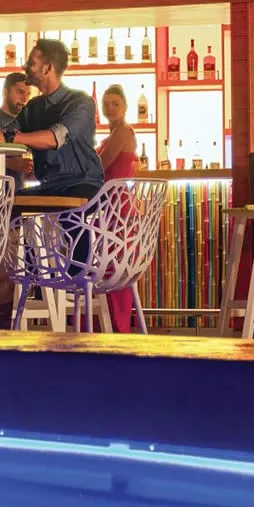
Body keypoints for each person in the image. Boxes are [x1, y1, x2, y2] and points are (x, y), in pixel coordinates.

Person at [0, 38, 104, 200]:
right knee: (2, 204)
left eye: (31, 63)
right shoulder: (33, 107)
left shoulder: (81, 102)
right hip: (50, 187)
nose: (24, 67)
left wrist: (9, 137)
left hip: (83, 185)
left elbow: (55, 137)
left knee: (68, 217)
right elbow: (6, 132)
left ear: (47, 69)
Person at [95, 84, 139, 331]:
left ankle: (117, 327)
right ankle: (108, 325)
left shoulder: (123, 132)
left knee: (114, 268)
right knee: (109, 267)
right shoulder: (110, 137)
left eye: (115, 104)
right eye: (106, 104)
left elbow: (100, 165)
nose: (110, 108)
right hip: (109, 207)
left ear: (124, 107)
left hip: (117, 208)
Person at [0, 71, 31, 138]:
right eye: (20, 92)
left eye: (28, 94)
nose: (25, 99)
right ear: (5, 93)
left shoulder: (29, 123)